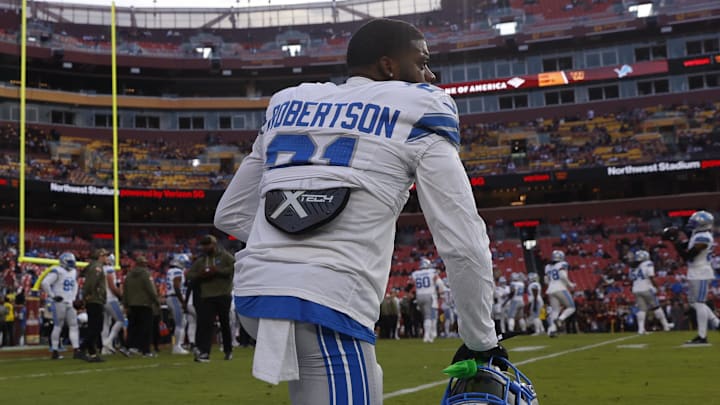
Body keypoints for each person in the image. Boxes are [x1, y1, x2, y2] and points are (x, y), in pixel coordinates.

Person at [214, 18, 503, 404]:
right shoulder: (420, 108)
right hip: (326, 301)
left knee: (365, 381)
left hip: (254, 293)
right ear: (388, 66)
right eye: (422, 62)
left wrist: (288, 251)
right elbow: (463, 240)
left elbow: (230, 213)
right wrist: (481, 340)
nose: (430, 74)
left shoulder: (289, 103)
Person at [663, 211, 720, 344]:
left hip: (701, 271)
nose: (691, 224)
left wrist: (675, 241)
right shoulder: (698, 234)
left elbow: (689, 255)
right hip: (695, 271)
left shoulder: (704, 237)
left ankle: (702, 336)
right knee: (694, 302)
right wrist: (674, 239)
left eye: (694, 222)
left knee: (699, 303)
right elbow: (685, 247)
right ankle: (717, 323)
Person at [186, 235, 234, 362]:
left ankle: (228, 350)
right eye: (204, 245)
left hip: (223, 294)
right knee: (206, 324)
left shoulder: (225, 256)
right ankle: (204, 352)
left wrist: (216, 271)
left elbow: (233, 269)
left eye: (208, 244)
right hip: (207, 296)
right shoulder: (201, 260)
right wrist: (200, 275)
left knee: (224, 324)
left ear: (214, 244)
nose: (206, 247)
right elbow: (190, 275)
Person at [41, 252, 83, 360]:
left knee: (72, 325)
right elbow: (45, 283)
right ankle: (55, 350)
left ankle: (75, 349)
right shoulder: (57, 270)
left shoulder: (72, 271)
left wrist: (73, 297)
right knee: (59, 326)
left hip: (67, 301)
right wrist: (53, 296)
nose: (71, 264)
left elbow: (75, 285)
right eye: (69, 262)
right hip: (60, 302)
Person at [122, 256, 159, 357]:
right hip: (145, 303)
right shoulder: (146, 274)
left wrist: (125, 304)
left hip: (132, 304)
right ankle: (146, 350)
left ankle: (129, 347)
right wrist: (156, 300)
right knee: (146, 328)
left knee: (133, 327)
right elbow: (151, 289)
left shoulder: (129, 275)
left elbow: (125, 291)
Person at [80, 248, 108, 362]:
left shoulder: (95, 266)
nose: (106, 258)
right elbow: (91, 282)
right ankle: (81, 349)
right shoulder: (97, 267)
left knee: (94, 327)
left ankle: (91, 352)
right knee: (95, 327)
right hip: (95, 299)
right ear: (100, 256)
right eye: (105, 256)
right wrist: (88, 295)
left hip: (95, 299)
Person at [411, 257, 447, 343]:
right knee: (429, 316)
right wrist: (441, 295)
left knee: (425, 316)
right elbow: (440, 283)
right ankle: (427, 336)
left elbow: (412, 284)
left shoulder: (415, 273)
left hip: (419, 296)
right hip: (429, 295)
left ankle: (430, 334)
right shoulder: (432, 272)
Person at [544, 250, 576, 337]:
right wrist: (570, 284)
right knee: (572, 307)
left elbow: (546, 281)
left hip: (550, 289)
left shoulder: (548, 266)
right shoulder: (563, 264)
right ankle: (560, 320)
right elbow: (562, 275)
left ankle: (552, 330)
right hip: (560, 288)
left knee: (555, 311)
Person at [101, 254, 125, 354]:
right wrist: (120, 295)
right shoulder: (109, 269)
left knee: (106, 323)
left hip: (103, 299)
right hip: (111, 299)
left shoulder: (100, 269)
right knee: (121, 320)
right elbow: (112, 286)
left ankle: (105, 349)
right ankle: (108, 341)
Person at [166, 258, 189, 354]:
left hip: (171, 298)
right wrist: (182, 301)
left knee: (182, 322)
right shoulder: (177, 271)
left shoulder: (170, 271)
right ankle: (177, 347)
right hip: (175, 298)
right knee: (180, 323)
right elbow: (176, 286)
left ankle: (179, 345)